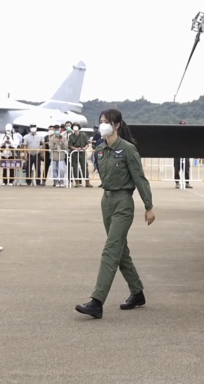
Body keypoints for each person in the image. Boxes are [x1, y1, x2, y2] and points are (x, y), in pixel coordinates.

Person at [75, 109, 155, 319]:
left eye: (107, 122)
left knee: (110, 250)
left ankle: (96, 301)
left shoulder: (128, 149)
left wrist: (148, 206)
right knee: (120, 251)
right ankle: (137, 292)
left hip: (123, 203)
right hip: (107, 202)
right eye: (101, 121)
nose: (103, 125)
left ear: (117, 125)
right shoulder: (100, 150)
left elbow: (139, 178)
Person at [67, 123, 91, 187]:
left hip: (82, 153)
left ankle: (87, 182)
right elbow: (70, 145)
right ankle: (77, 182)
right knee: (75, 168)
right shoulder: (71, 136)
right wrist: (76, 149)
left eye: (76, 126)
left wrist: (85, 147)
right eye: (74, 126)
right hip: (74, 153)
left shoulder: (83, 135)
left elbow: (87, 143)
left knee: (84, 167)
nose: (75, 128)